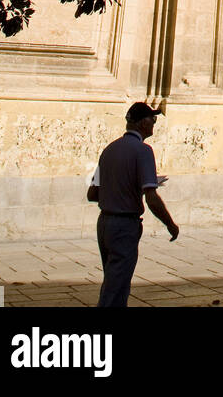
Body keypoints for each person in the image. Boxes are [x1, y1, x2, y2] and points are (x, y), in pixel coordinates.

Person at [87, 102, 179, 307]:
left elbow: (93, 193)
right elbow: (151, 197)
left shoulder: (109, 149)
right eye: (152, 119)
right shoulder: (143, 151)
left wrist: (120, 187)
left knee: (113, 282)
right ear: (141, 123)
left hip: (104, 223)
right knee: (116, 289)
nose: (154, 124)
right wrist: (170, 224)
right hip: (124, 226)